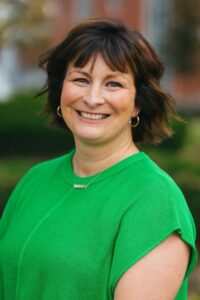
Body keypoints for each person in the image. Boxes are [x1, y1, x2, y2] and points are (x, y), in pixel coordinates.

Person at [0, 17, 198, 300]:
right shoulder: (34, 181)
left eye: (113, 84)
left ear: (137, 104)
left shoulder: (155, 201)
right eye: (81, 79)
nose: (92, 98)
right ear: (61, 91)